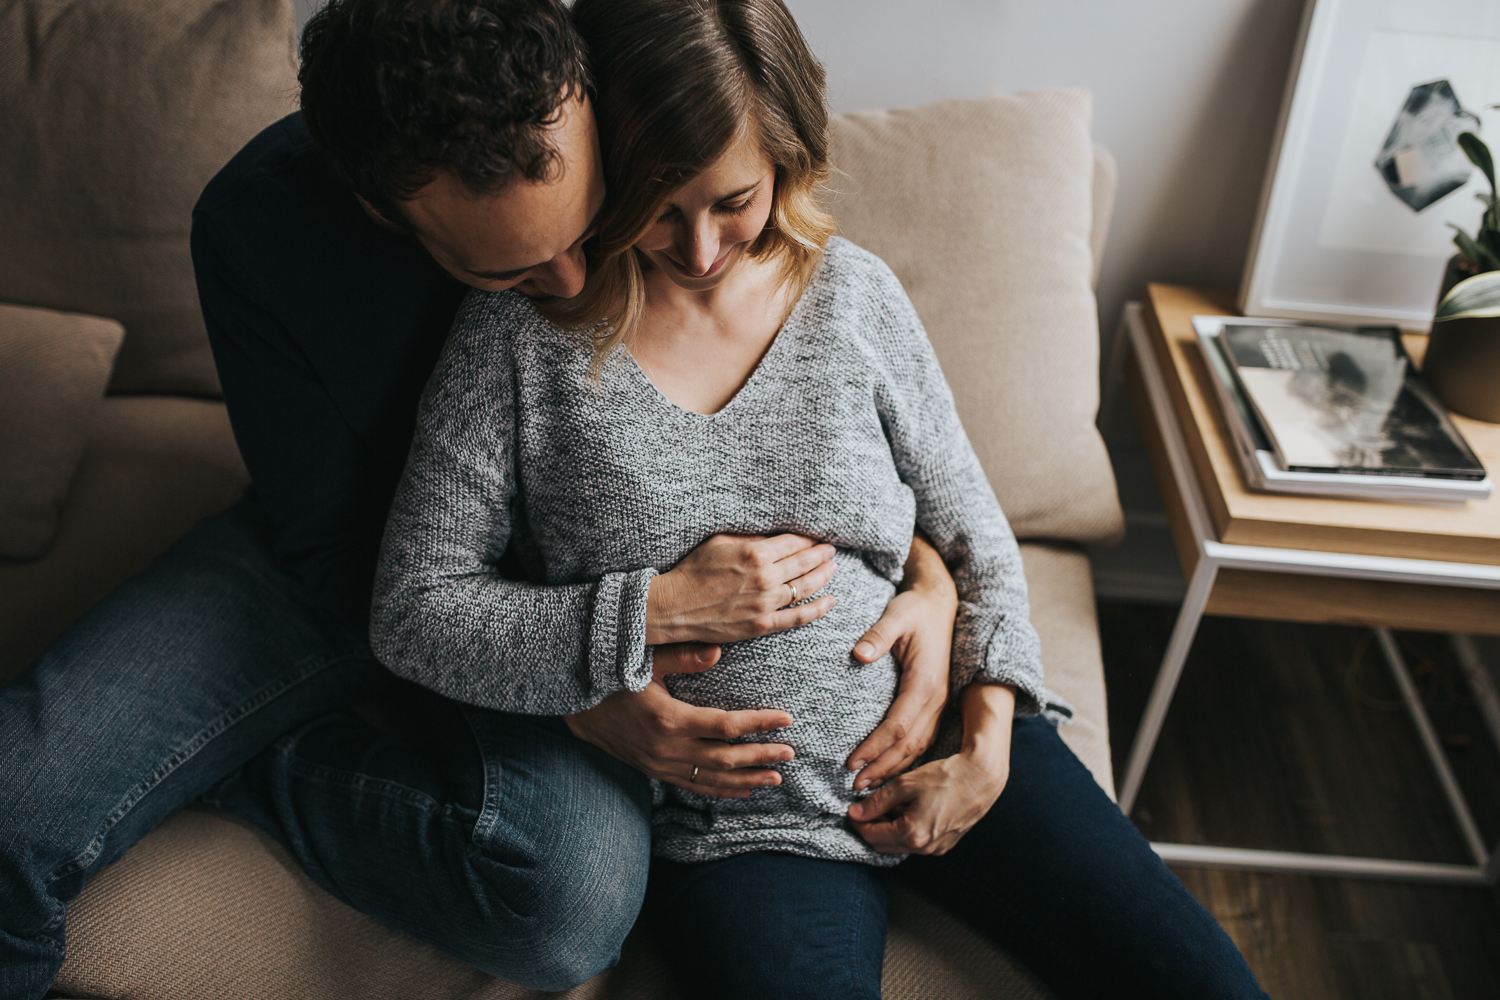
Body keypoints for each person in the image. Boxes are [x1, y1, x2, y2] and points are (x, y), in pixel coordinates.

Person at [0, 1, 961, 997]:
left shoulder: (615, 84)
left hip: (578, 563)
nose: (575, 280)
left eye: (593, 229)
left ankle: (269, 767)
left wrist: (930, 578)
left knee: (564, 899)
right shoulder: (256, 229)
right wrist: (590, 681)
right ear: (383, 211)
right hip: (360, 563)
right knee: (16, 807)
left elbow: (837, 418)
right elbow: (339, 555)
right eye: (508, 270)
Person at [370, 1, 1273, 999]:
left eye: (734, 201)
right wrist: (632, 622)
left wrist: (988, 731)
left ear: (786, 163)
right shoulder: (519, 337)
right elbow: (418, 610)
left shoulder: (853, 295)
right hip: (745, 824)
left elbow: (974, 529)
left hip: (935, 735)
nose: (702, 248)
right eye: (659, 206)